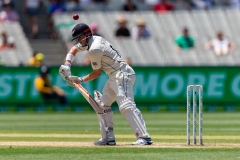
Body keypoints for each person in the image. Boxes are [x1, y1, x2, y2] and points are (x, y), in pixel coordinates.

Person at [59, 23, 152, 145]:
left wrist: (80, 80)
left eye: (79, 38)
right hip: (115, 77)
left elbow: (96, 73)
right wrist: (67, 64)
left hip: (122, 74)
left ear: (86, 35)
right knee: (102, 105)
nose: (78, 41)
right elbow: (74, 49)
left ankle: (144, 137)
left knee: (126, 106)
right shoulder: (91, 40)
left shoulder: (94, 49)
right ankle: (108, 138)